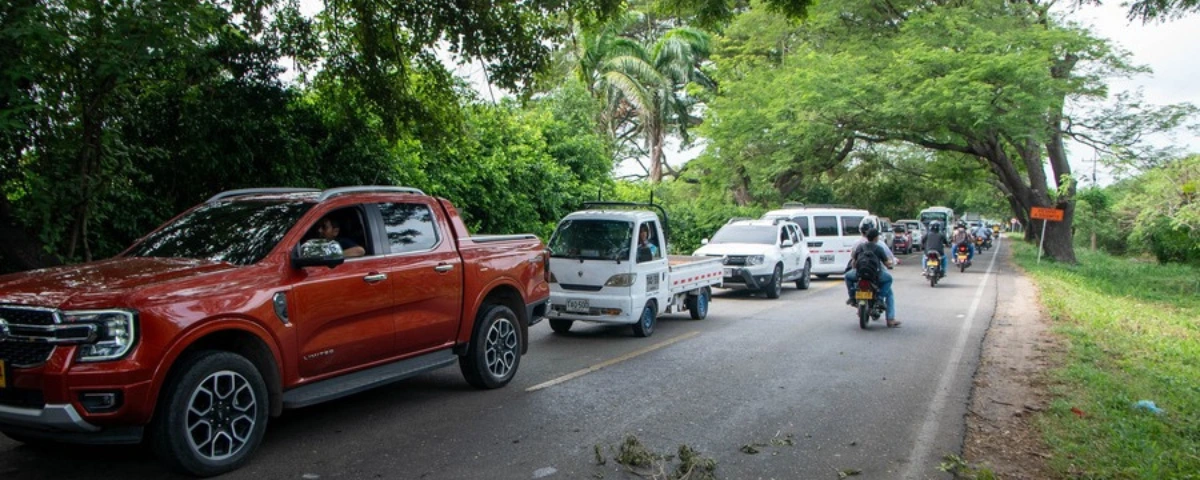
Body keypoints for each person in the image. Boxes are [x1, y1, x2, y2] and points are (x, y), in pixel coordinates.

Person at [844, 225, 901, 327]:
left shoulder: (860, 246)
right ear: (876, 238)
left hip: (859, 274)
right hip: (875, 276)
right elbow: (887, 263)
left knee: (847, 276)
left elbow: (853, 262)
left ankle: (852, 297)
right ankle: (882, 303)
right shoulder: (879, 247)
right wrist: (891, 263)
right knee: (889, 280)